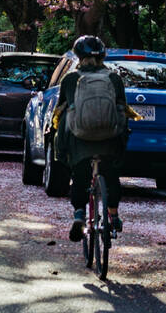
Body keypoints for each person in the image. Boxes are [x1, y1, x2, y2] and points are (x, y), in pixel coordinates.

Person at [54, 35, 128, 241]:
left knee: (79, 176)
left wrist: (61, 152)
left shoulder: (70, 79)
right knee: (111, 176)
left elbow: (60, 113)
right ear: (102, 56)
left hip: (80, 141)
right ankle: (113, 215)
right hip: (109, 140)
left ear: (78, 56)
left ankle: (79, 215)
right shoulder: (114, 79)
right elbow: (122, 110)